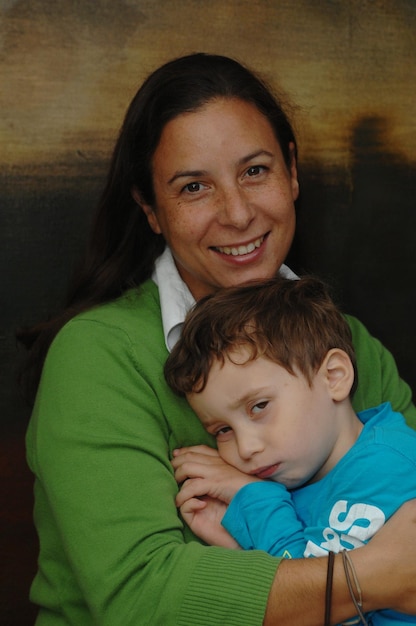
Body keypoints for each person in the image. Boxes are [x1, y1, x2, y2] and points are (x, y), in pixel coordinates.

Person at [18, 52, 416, 625]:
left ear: (292, 172)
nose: (236, 213)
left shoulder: (349, 344)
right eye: (194, 187)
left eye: (255, 171)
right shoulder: (97, 356)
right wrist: (374, 577)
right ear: (151, 210)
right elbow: (143, 598)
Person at [165, 274, 416, 625]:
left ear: (334, 377)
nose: (246, 448)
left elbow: (320, 604)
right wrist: (239, 543)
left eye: (259, 406)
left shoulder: (383, 469)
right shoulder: (325, 467)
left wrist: (255, 498)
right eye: (222, 430)